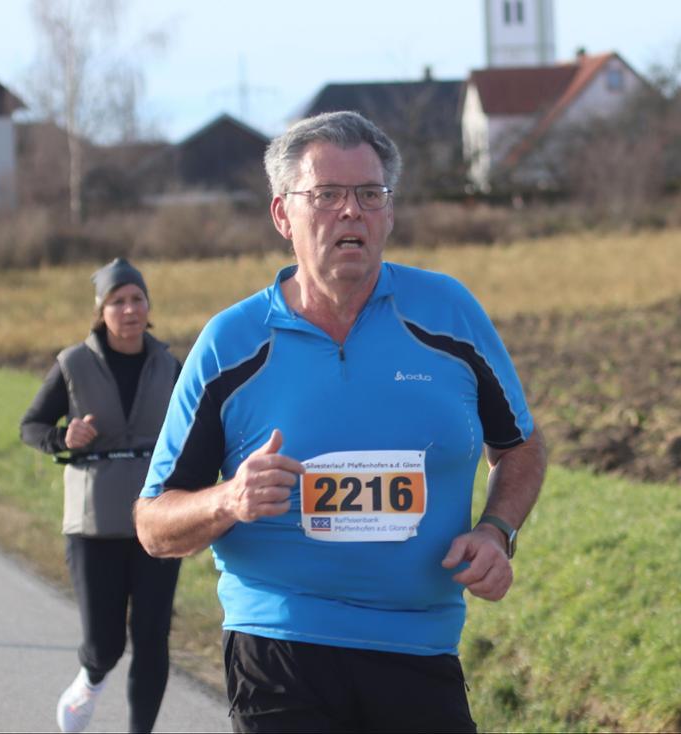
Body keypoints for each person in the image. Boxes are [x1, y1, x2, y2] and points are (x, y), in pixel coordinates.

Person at [134, 111, 547, 733]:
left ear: (388, 212)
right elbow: (152, 525)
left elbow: (520, 446)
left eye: (369, 194)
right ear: (283, 216)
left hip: (420, 648)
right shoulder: (232, 343)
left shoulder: (448, 313)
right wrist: (229, 500)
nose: (350, 212)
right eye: (326, 195)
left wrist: (496, 532)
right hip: (281, 646)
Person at [20, 258, 181, 734]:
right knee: (105, 644)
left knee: (152, 638)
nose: (129, 309)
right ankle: (89, 681)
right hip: (93, 525)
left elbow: (194, 429)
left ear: (148, 306)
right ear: (101, 310)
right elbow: (31, 426)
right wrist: (62, 438)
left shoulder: (169, 365)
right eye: (118, 301)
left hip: (157, 521)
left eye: (137, 299)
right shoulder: (73, 363)